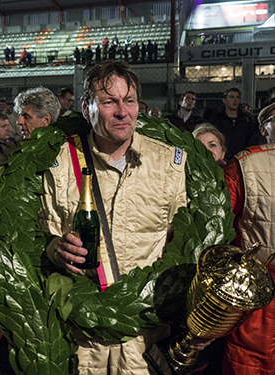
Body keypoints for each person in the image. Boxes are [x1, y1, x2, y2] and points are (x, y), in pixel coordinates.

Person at [38, 60, 190, 375]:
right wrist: (56, 250)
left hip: (143, 341)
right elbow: (43, 238)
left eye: (129, 101)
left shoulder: (170, 164)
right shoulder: (60, 163)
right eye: (109, 102)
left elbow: (186, 245)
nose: (122, 112)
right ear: (86, 107)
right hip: (82, 342)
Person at [222, 101, 275, 375]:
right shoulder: (245, 165)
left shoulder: (243, 164)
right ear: (263, 128)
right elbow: (221, 225)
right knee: (251, 360)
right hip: (256, 286)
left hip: (255, 287)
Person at [208, 88, 260, 160]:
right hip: (221, 159)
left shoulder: (246, 119)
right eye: (231, 97)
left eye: (237, 97)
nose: (235, 100)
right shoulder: (216, 119)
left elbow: (252, 139)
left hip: (242, 158)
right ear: (224, 100)